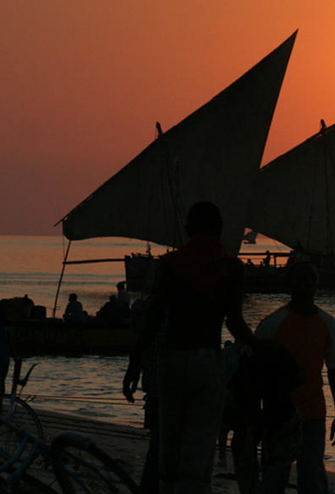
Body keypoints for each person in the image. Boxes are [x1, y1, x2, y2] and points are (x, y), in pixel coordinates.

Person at [123, 201, 257, 494]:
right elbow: (235, 323)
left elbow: (155, 316)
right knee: (200, 449)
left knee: (169, 446)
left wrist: (135, 364)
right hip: (207, 361)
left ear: (187, 230)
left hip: (172, 360)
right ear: (220, 231)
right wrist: (262, 348)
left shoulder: (170, 265)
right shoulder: (231, 268)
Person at [256, 260, 335, 494]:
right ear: (290, 285)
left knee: (312, 477)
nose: (305, 287)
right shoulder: (272, 324)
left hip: (314, 412)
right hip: (279, 412)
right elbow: (256, 370)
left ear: (316, 286)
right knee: (274, 477)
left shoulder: (328, 324)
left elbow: (334, 370)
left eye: (310, 281)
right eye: (300, 281)